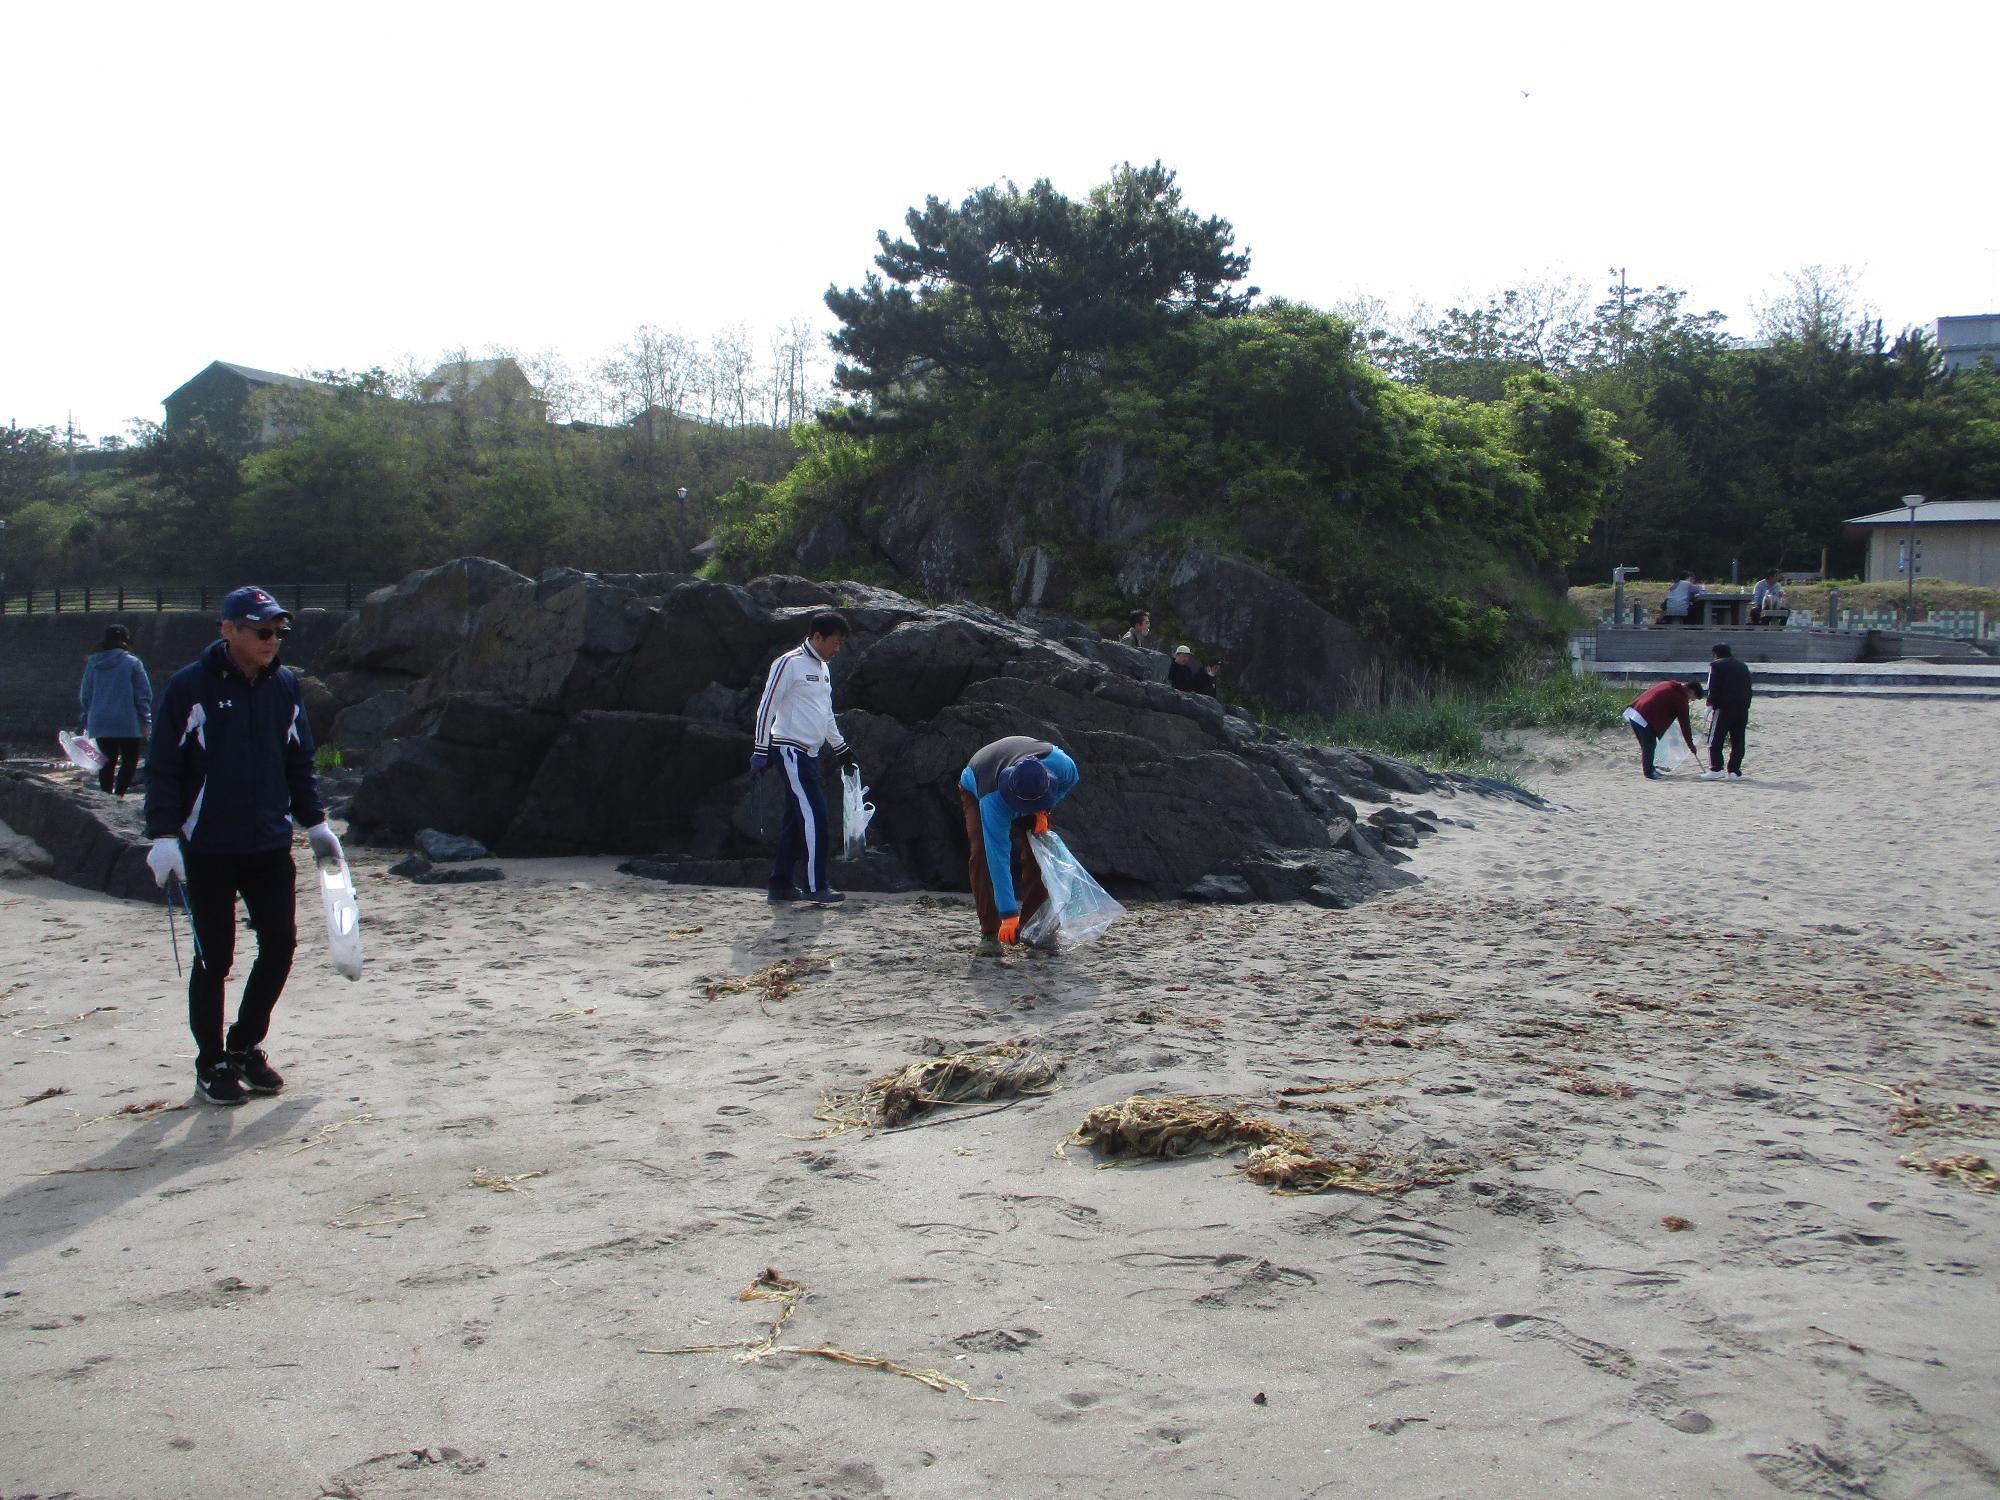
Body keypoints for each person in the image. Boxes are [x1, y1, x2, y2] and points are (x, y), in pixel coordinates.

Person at [143, 587, 339, 1106]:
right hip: (206, 845)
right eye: (262, 631)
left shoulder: (285, 688)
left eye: (279, 632)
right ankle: (210, 1064)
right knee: (215, 957)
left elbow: (299, 760)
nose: (272, 641)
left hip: (269, 841)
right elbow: (163, 766)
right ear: (228, 629)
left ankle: (246, 1045)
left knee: (280, 944)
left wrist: (315, 823)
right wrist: (163, 835)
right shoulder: (191, 687)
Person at [751, 610, 856, 905]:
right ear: (817, 637)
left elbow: (826, 714)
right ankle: (815, 885)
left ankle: (780, 885)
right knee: (815, 816)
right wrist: (761, 749)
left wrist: (841, 749)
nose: (837, 649)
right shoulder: (789, 663)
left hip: (810, 754)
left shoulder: (823, 669)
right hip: (789, 750)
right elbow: (766, 706)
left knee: (794, 821)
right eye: (835, 642)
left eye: (840, 644)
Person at [959, 736, 1081, 957]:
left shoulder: (1063, 767)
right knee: (982, 855)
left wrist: (1045, 810)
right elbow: (997, 855)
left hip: (1034, 788)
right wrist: (1008, 913)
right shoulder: (992, 799)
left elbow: (1068, 784)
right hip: (977, 781)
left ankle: (1032, 929)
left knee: (1040, 852)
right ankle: (989, 933)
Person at [78, 623, 152, 797]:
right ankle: (119, 795)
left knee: (106, 761)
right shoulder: (133, 663)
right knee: (130, 759)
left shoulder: (93, 663)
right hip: (127, 720)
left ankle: (105, 795)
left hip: (100, 721)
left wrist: (88, 715)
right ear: (126, 642)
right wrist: (146, 720)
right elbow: (142, 695)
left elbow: (85, 694)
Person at [1623, 677, 1704, 780]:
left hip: (1634, 711)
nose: (1690, 700)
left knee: (1648, 746)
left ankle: (1651, 769)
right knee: (1649, 745)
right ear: (1692, 691)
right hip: (1643, 717)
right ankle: (1649, 773)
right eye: (1692, 698)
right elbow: (1685, 724)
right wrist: (1691, 745)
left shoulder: (1667, 684)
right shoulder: (1680, 698)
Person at [1700, 643, 1753, 781]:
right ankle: (1734, 771)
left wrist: (1710, 704)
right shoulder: (1743, 666)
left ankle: (1716, 768)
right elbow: (1748, 687)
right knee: (1738, 740)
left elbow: (1713, 686)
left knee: (1715, 739)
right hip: (1742, 708)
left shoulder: (1716, 665)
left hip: (1724, 708)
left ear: (1715, 653)